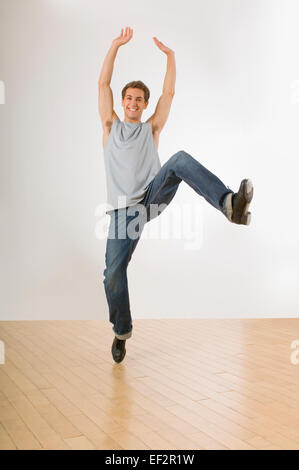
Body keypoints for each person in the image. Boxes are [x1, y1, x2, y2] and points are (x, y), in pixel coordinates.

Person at [98, 27, 254, 363]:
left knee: (180, 159)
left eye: (140, 99)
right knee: (113, 273)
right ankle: (121, 331)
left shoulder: (151, 128)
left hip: (150, 198)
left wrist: (170, 57)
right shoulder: (110, 126)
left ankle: (230, 205)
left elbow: (168, 93)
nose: (134, 103)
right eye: (129, 98)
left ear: (144, 105)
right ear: (123, 102)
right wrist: (114, 47)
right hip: (122, 213)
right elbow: (102, 86)